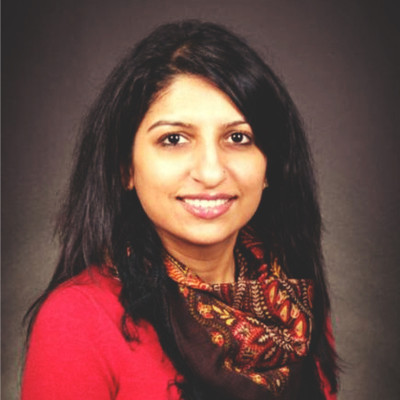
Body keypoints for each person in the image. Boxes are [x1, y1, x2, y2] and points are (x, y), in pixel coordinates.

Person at [22, 20, 339, 399]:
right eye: (173, 139)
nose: (210, 171)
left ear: (271, 165)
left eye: (238, 138)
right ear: (126, 168)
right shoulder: (78, 321)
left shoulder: (291, 301)